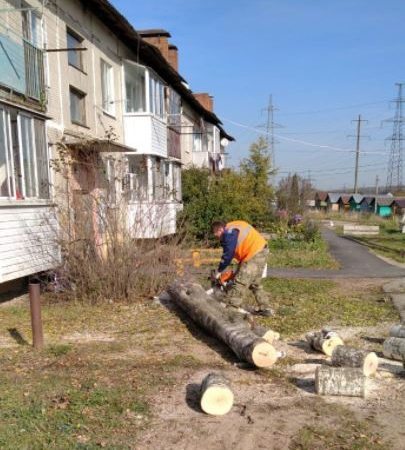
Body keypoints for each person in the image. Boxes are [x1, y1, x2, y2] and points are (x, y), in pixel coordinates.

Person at [211, 220, 273, 317]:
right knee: (254, 283)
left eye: (216, 233)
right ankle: (266, 308)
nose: (216, 236)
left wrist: (219, 270)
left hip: (253, 254)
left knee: (239, 282)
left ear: (221, 229)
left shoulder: (229, 232)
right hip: (262, 250)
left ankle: (231, 309)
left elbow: (228, 255)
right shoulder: (234, 225)